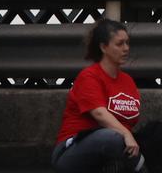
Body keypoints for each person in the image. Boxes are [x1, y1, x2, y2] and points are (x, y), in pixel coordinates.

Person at [52, 19, 162, 173]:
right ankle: (141, 168)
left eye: (127, 43)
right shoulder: (89, 76)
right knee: (111, 137)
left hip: (117, 144)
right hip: (71, 152)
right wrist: (126, 134)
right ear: (103, 47)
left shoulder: (128, 81)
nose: (126, 49)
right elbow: (99, 114)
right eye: (119, 44)